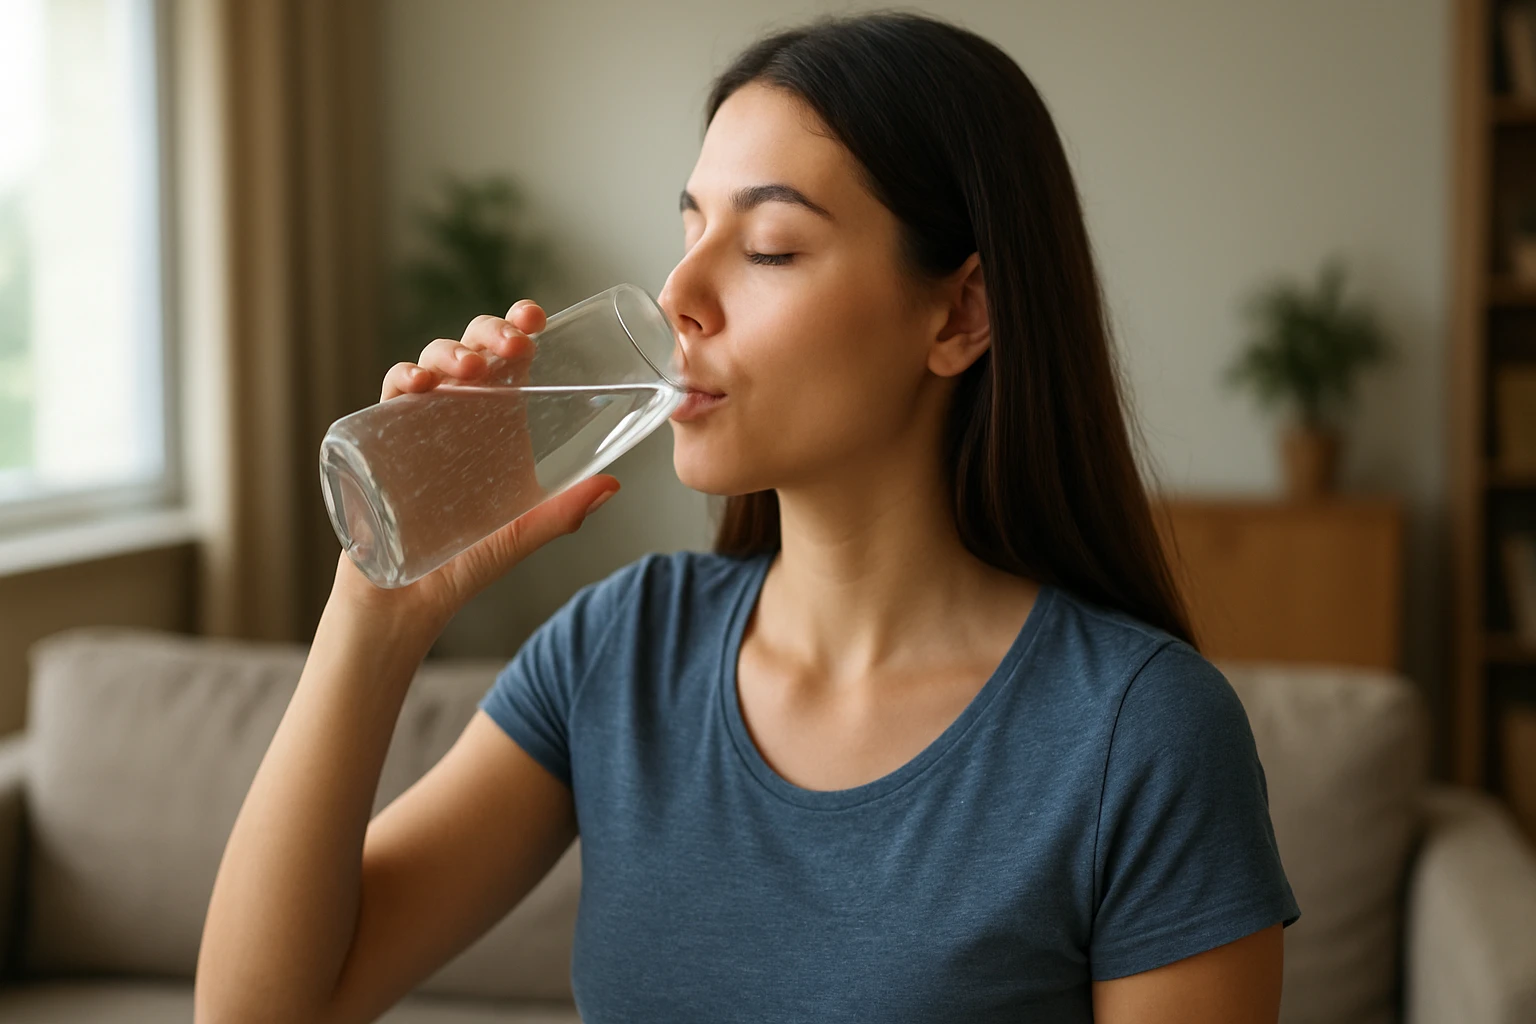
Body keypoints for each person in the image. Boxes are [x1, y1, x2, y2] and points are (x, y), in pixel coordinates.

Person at [196, 10, 1299, 1023]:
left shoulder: (1138, 737)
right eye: (690, 228)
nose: (681, 291)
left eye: (769, 248)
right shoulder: (620, 652)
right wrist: (378, 609)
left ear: (961, 312)